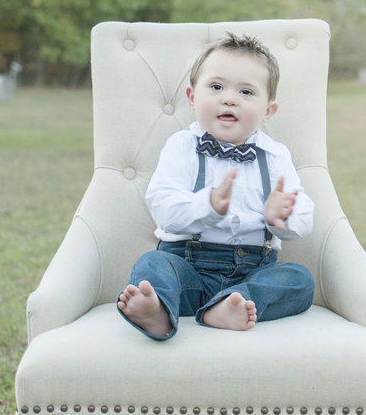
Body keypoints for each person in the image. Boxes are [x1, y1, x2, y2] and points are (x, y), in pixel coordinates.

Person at [117, 33, 315, 340]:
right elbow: (164, 209)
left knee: (299, 279)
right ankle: (158, 311)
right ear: (192, 97)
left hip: (253, 271)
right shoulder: (181, 146)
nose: (230, 99)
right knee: (152, 264)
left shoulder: (276, 156)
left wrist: (281, 218)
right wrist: (207, 206)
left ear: (268, 111)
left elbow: (303, 213)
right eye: (217, 87)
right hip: (188, 270)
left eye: (246, 91)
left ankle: (230, 305)